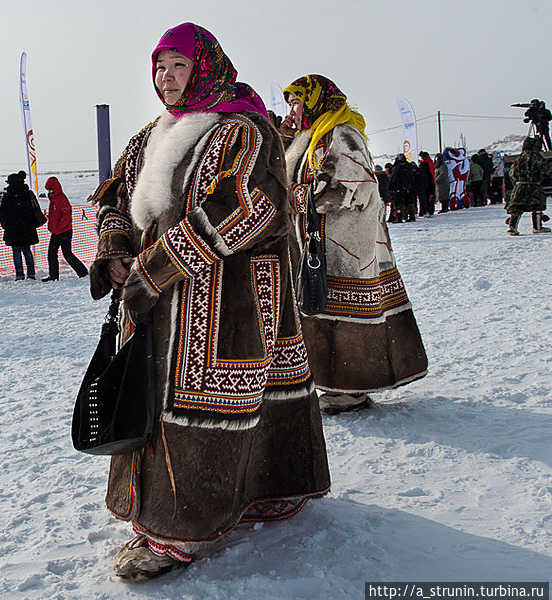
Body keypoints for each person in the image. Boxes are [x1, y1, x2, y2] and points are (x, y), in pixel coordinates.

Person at [88, 23, 329, 581]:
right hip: (159, 299)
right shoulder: (153, 133)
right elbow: (116, 195)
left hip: (230, 300)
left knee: (213, 406)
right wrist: (116, 247)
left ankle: (180, 531)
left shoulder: (243, 129)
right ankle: (222, 500)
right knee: (160, 402)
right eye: (159, 66)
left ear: (205, 67)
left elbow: (246, 211)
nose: (165, 77)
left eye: (177, 65)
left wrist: (154, 268)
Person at [280, 74, 428, 413]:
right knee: (324, 311)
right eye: (289, 102)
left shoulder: (343, 134)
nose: (292, 109)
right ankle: (333, 384)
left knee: (346, 316)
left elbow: (352, 186)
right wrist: (285, 138)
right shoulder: (312, 136)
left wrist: (298, 197)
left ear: (317, 101)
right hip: (320, 243)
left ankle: (350, 388)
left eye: (297, 101)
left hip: (347, 246)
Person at [41, 176, 88, 281]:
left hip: (64, 231)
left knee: (67, 254)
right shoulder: (53, 199)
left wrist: (59, 226)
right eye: (48, 190)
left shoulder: (61, 198)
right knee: (51, 254)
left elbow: (66, 216)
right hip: (56, 231)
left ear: (55, 188)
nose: (49, 191)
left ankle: (83, 273)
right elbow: (56, 214)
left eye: (50, 189)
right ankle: (53, 276)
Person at [505, 136, 552, 235]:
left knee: (516, 207)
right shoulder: (536, 156)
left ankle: (512, 227)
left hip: (519, 185)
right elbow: (547, 168)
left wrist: (516, 184)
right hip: (534, 185)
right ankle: (537, 227)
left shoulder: (519, 158)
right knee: (537, 205)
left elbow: (512, 173)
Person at [0, 171, 39, 280]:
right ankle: (31, 274)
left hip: (13, 230)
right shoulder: (27, 194)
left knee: (16, 252)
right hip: (27, 229)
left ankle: (20, 275)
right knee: (27, 251)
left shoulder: (8, 196)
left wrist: (6, 225)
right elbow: (34, 211)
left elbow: (1, 213)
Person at [389, 154, 417, 222]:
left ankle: (399, 218)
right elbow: (412, 177)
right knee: (409, 202)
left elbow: (393, 179)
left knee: (398, 204)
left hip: (399, 188)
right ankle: (412, 216)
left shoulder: (396, 168)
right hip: (409, 187)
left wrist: (390, 187)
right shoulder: (409, 166)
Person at [417, 151, 435, 217]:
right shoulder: (431, 162)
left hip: (426, 183)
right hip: (432, 182)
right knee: (430, 197)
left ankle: (425, 211)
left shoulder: (424, 164)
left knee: (425, 198)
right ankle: (430, 210)